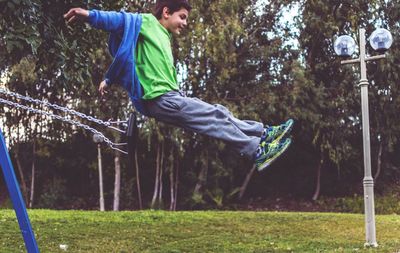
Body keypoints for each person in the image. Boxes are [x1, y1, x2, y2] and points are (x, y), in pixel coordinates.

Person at [63, 0, 293, 171]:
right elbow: (117, 20)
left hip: (170, 97)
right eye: (182, 17)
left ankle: (264, 133)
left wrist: (109, 79)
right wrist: (89, 15)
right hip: (159, 99)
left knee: (220, 112)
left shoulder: (164, 36)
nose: (185, 23)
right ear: (166, 12)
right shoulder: (146, 22)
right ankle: (256, 151)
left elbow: (133, 62)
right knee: (213, 117)